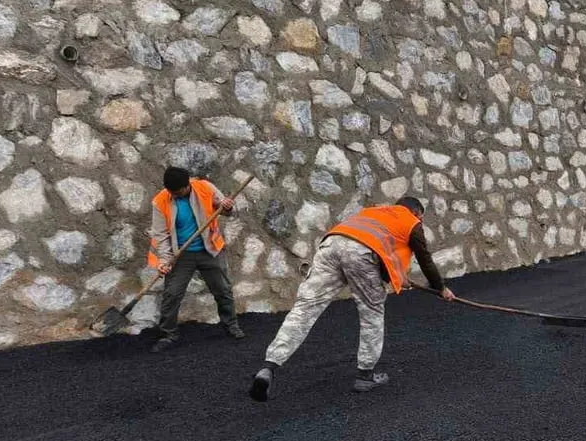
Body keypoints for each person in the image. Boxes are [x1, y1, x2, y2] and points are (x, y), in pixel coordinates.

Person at [249, 196, 455, 401]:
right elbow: (424, 260)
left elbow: (379, 252)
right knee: (371, 311)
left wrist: (398, 276)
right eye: (422, 217)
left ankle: (269, 367)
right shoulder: (412, 223)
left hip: (332, 244)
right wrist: (441, 288)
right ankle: (365, 375)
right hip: (361, 253)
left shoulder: (372, 211)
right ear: (417, 213)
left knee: (305, 308)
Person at [149, 167, 244, 352]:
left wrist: (227, 206)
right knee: (172, 294)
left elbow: (225, 209)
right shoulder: (160, 201)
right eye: (170, 192)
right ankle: (168, 334)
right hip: (181, 255)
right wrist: (164, 260)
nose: (173, 195)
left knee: (223, 290)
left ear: (187, 186)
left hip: (209, 250)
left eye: (177, 192)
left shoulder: (205, 187)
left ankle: (231, 326)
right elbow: (160, 235)